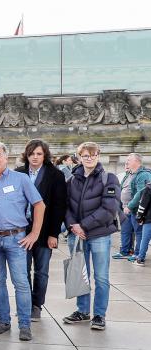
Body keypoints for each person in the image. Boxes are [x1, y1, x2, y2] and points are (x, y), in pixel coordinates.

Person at [0, 141, 45, 342]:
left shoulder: (21, 179)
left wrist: (35, 234)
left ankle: (24, 325)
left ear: (7, 158)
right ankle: (4, 320)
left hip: (17, 240)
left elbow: (39, 205)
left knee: (21, 283)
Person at [63, 142, 121, 331]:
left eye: (93, 154)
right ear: (79, 157)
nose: (89, 158)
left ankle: (99, 314)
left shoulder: (108, 178)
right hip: (76, 235)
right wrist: (73, 225)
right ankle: (82, 310)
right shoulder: (71, 179)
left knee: (101, 277)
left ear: (98, 155)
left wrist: (84, 226)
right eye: (85, 155)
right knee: (81, 274)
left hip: (99, 235)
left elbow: (110, 209)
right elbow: (65, 207)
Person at [13, 140, 68, 321]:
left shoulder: (55, 175)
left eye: (39, 154)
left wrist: (54, 234)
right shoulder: (18, 174)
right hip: (23, 231)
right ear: (26, 155)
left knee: (41, 271)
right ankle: (26, 303)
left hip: (45, 232)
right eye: (32, 154)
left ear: (44, 155)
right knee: (23, 270)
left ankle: (37, 305)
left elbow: (59, 207)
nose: (35, 157)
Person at [117, 154, 151, 263]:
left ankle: (137, 254)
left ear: (137, 161)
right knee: (125, 231)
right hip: (125, 208)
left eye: (128, 160)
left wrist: (130, 206)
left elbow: (141, 193)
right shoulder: (130, 173)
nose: (126, 162)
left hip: (136, 209)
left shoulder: (143, 175)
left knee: (139, 232)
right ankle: (125, 251)